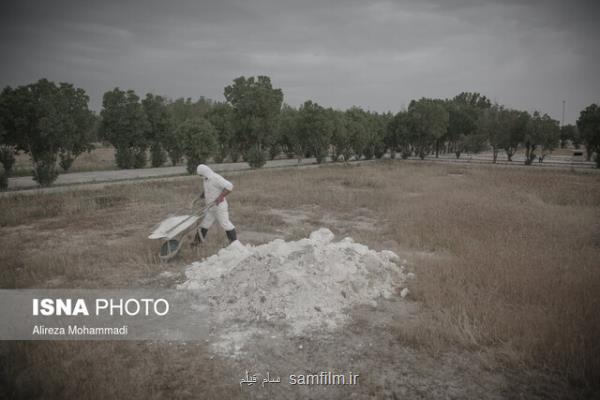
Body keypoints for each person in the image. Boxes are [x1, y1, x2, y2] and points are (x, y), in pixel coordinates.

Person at [192, 164, 237, 245]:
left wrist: (221, 196)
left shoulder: (216, 178)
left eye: (201, 175)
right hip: (210, 207)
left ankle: (234, 243)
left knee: (225, 223)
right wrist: (199, 197)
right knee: (204, 224)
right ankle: (196, 243)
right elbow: (208, 190)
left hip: (219, 207)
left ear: (205, 173)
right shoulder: (205, 179)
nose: (200, 177)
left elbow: (230, 186)